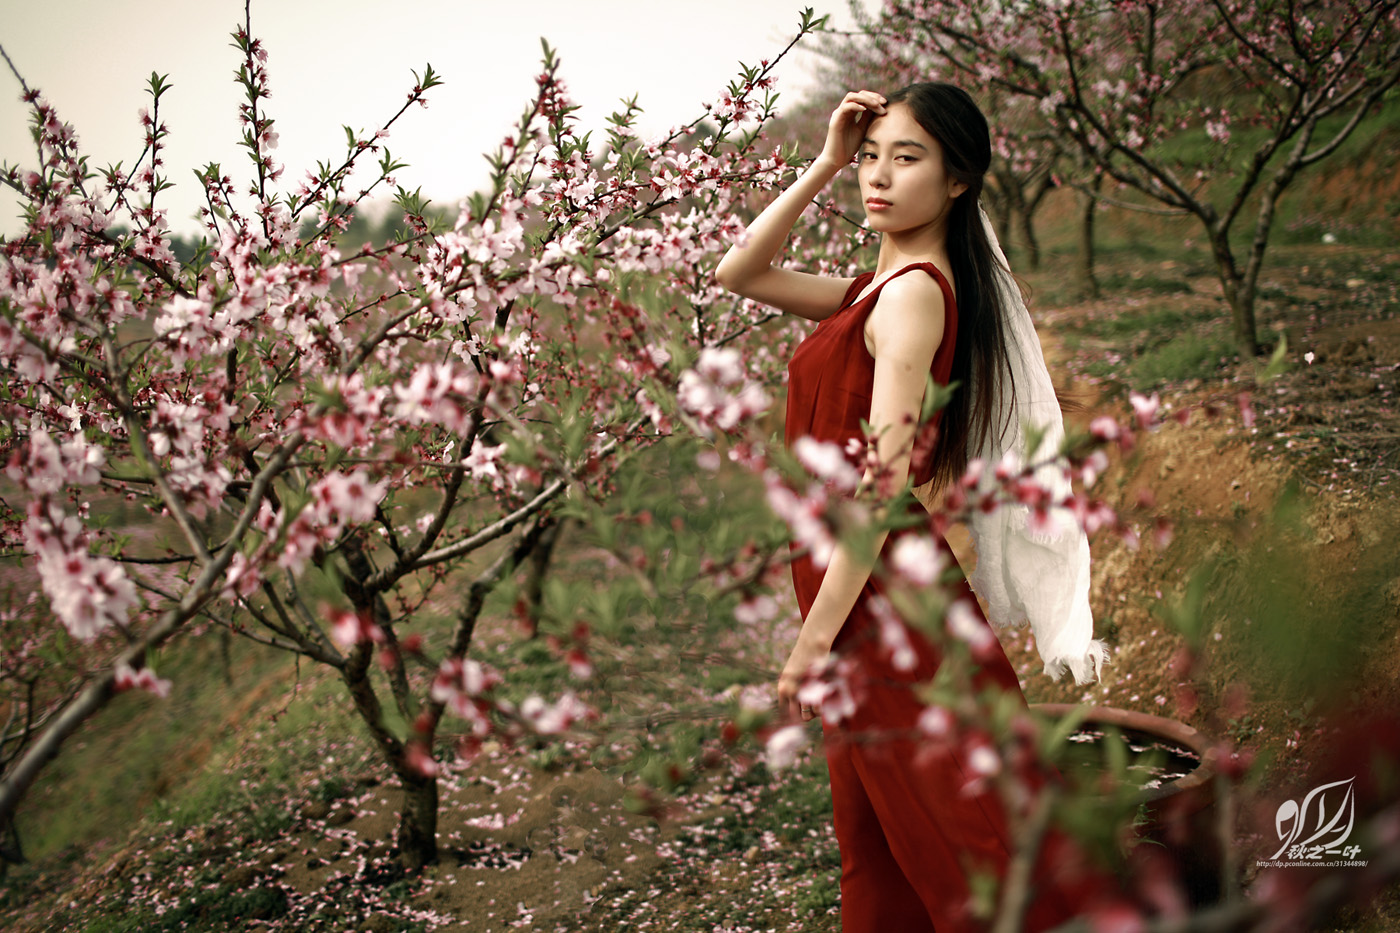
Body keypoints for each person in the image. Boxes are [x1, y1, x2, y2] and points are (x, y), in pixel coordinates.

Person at [714, 83, 1109, 931]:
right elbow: (738, 272)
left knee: (967, 836)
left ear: (960, 179)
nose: (877, 177)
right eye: (871, 156)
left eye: (907, 157)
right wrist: (823, 160)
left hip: (884, 601)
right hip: (858, 587)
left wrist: (808, 647)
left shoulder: (915, 294)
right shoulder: (875, 286)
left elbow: (880, 485)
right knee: (877, 834)